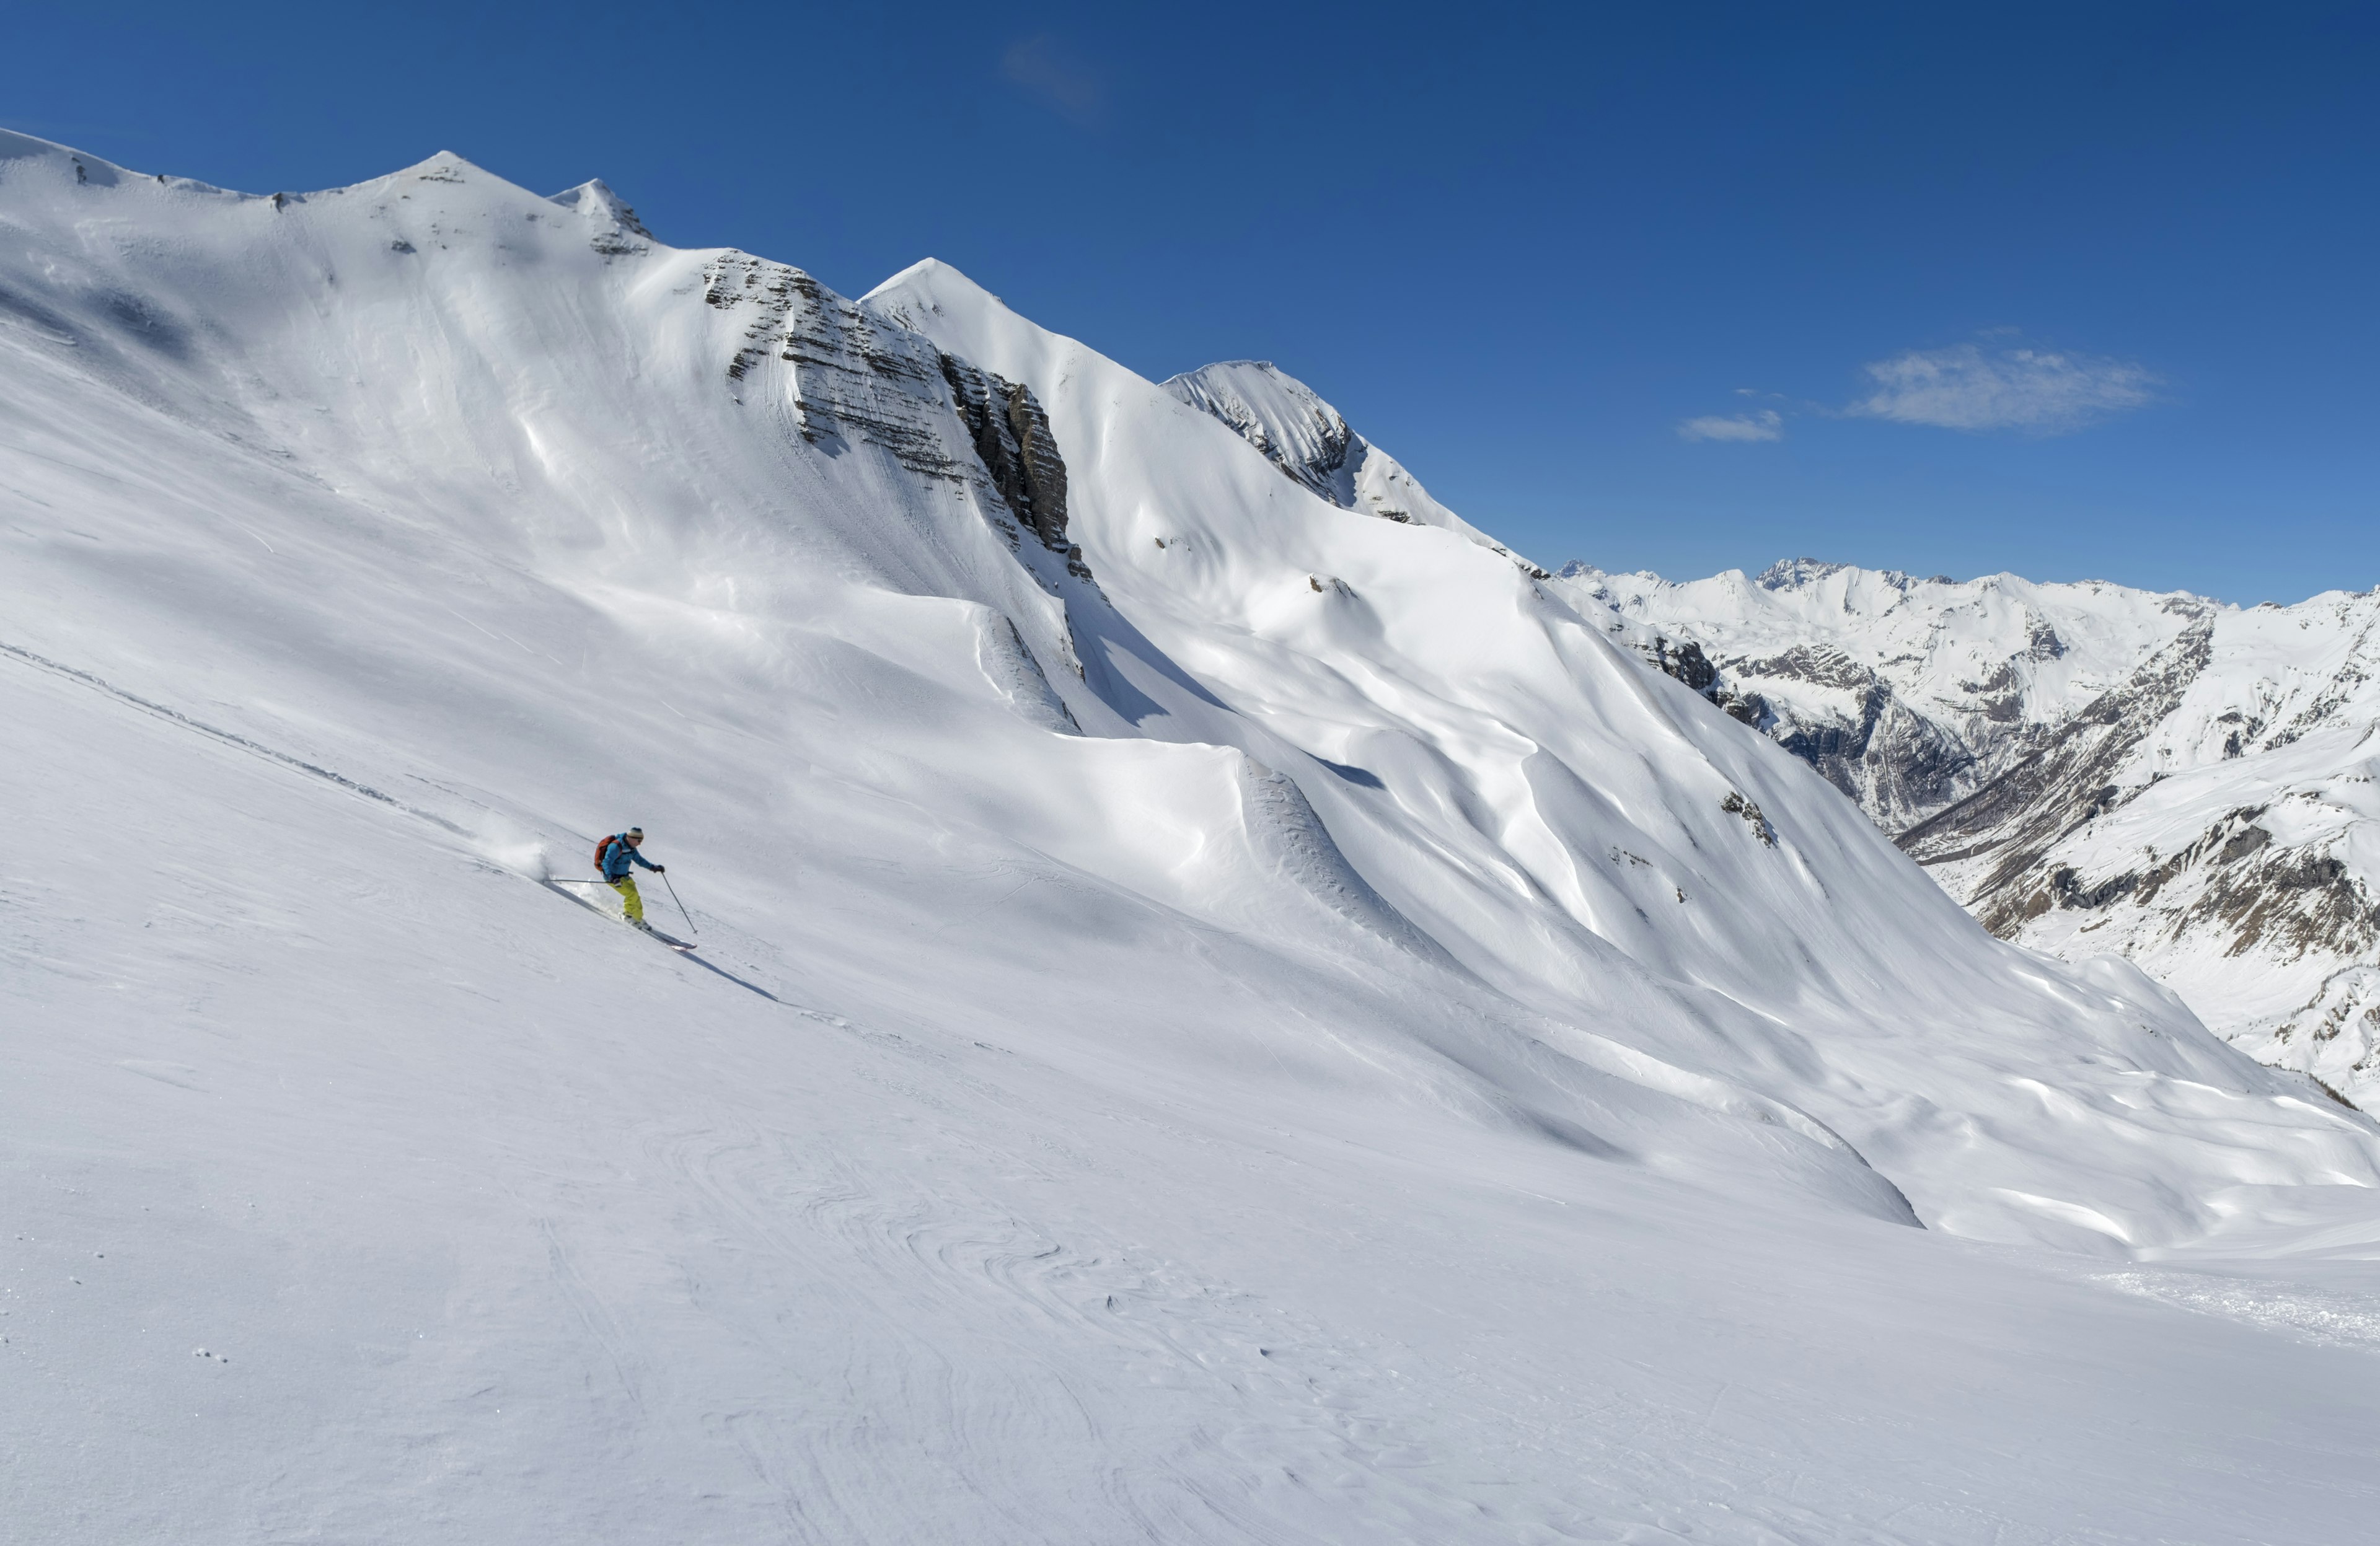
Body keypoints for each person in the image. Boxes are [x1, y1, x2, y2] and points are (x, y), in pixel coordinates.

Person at [597, 827, 666, 931]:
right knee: (631, 895)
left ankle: (637, 918)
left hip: (624, 877)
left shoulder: (631, 848)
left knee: (636, 897)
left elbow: (639, 860)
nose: (640, 844)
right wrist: (612, 877)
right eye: (639, 841)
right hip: (613, 878)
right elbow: (606, 863)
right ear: (632, 838)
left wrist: (653, 867)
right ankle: (627, 916)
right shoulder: (615, 847)